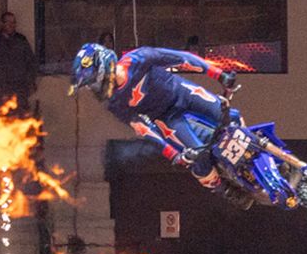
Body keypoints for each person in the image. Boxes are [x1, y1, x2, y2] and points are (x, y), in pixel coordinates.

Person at [70, 42, 250, 202]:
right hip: (167, 118)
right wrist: (174, 155)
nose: (95, 89)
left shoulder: (138, 58)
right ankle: (224, 189)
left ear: (104, 68)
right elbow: (142, 128)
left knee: (230, 116)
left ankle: (254, 148)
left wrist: (220, 75)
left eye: (94, 82)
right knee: (196, 156)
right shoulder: (114, 103)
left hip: (183, 93)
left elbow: (181, 59)